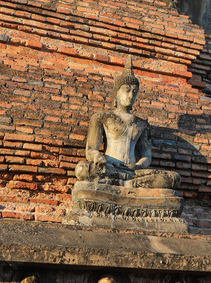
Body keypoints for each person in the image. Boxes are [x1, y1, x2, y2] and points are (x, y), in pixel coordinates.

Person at [75, 56, 179, 190]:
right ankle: (127, 184)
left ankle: (126, 183)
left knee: (171, 178)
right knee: (83, 169)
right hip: (110, 167)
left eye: (134, 92)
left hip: (134, 172)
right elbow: (90, 150)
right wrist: (97, 156)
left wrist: (138, 166)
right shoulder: (102, 117)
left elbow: (146, 157)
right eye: (127, 90)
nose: (131, 95)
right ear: (117, 93)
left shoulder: (142, 124)